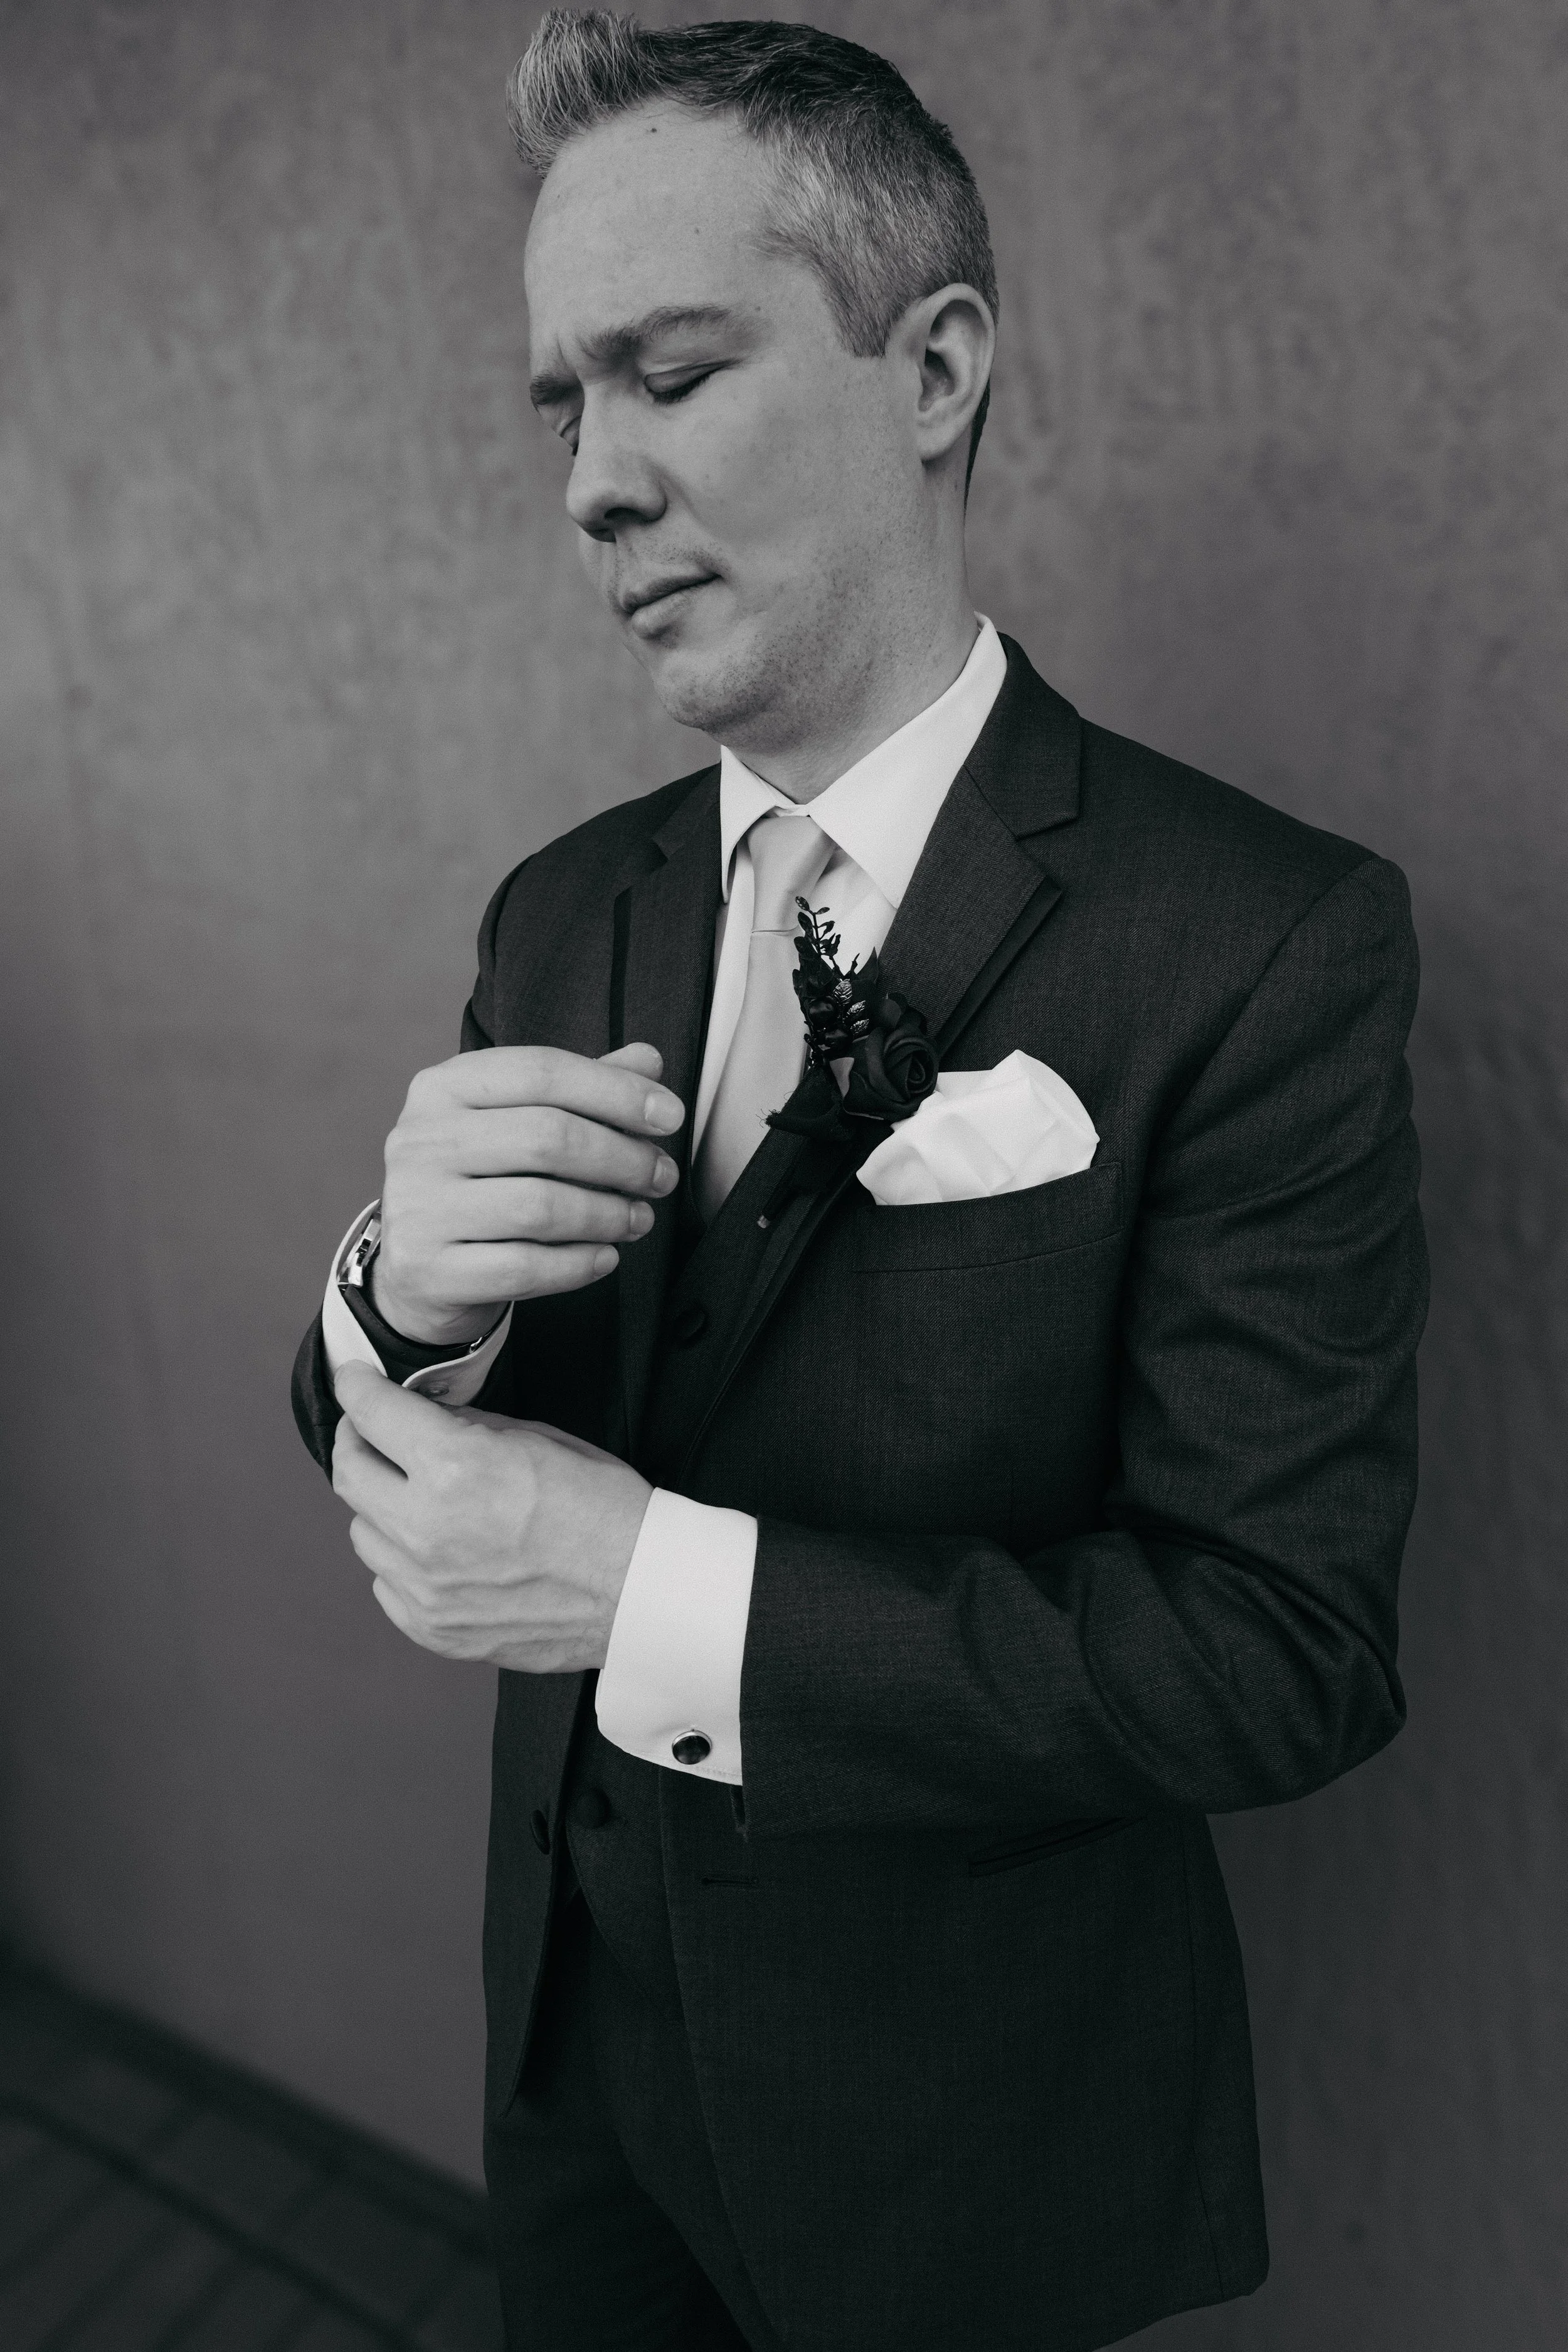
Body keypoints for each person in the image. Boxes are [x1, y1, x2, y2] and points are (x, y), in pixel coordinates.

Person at [292, 14, 1428, 2349]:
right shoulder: (560, 906)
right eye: (560, 406)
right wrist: (396, 1299)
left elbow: (1277, 1653)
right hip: (573, 2068)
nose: (592, 482)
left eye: (671, 372)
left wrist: (647, 1584)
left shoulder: (1259, 936)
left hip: (955, 2154)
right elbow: (383, 1428)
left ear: (934, 366)